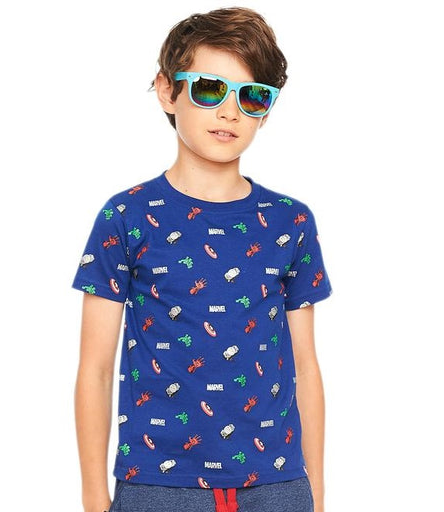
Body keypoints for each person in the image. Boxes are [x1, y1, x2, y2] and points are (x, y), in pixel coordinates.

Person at [73, 7, 332, 512]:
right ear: (168, 91)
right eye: (210, 89)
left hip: (277, 485)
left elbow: (305, 366)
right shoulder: (126, 216)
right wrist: (93, 498)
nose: (230, 112)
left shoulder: (291, 221)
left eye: (251, 96)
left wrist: (315, 494)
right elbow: (95, 368)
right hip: (156, 484)